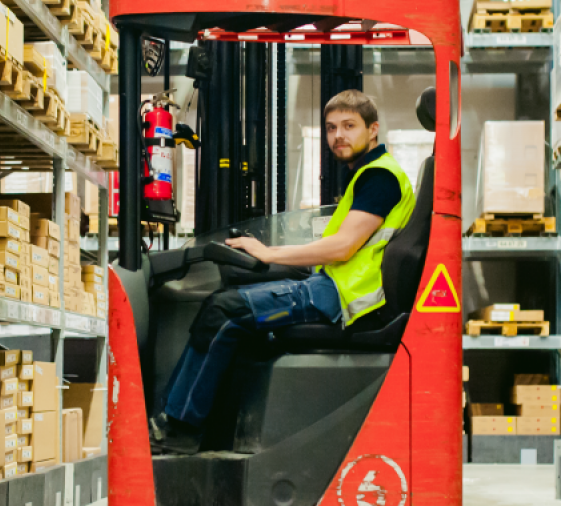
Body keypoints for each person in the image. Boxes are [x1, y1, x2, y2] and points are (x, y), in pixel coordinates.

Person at [149, 89, 416, 454]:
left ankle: (179, 430)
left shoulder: (379, 178)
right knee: (225, 302)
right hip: (335, 285)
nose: (338, 135)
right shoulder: (369, 175)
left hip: (342, 296)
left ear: (373, 130)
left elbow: (343, 247)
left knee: (224, 313)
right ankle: (179, 418)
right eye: (331, 128)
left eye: (349, 126)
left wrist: (269, 252)